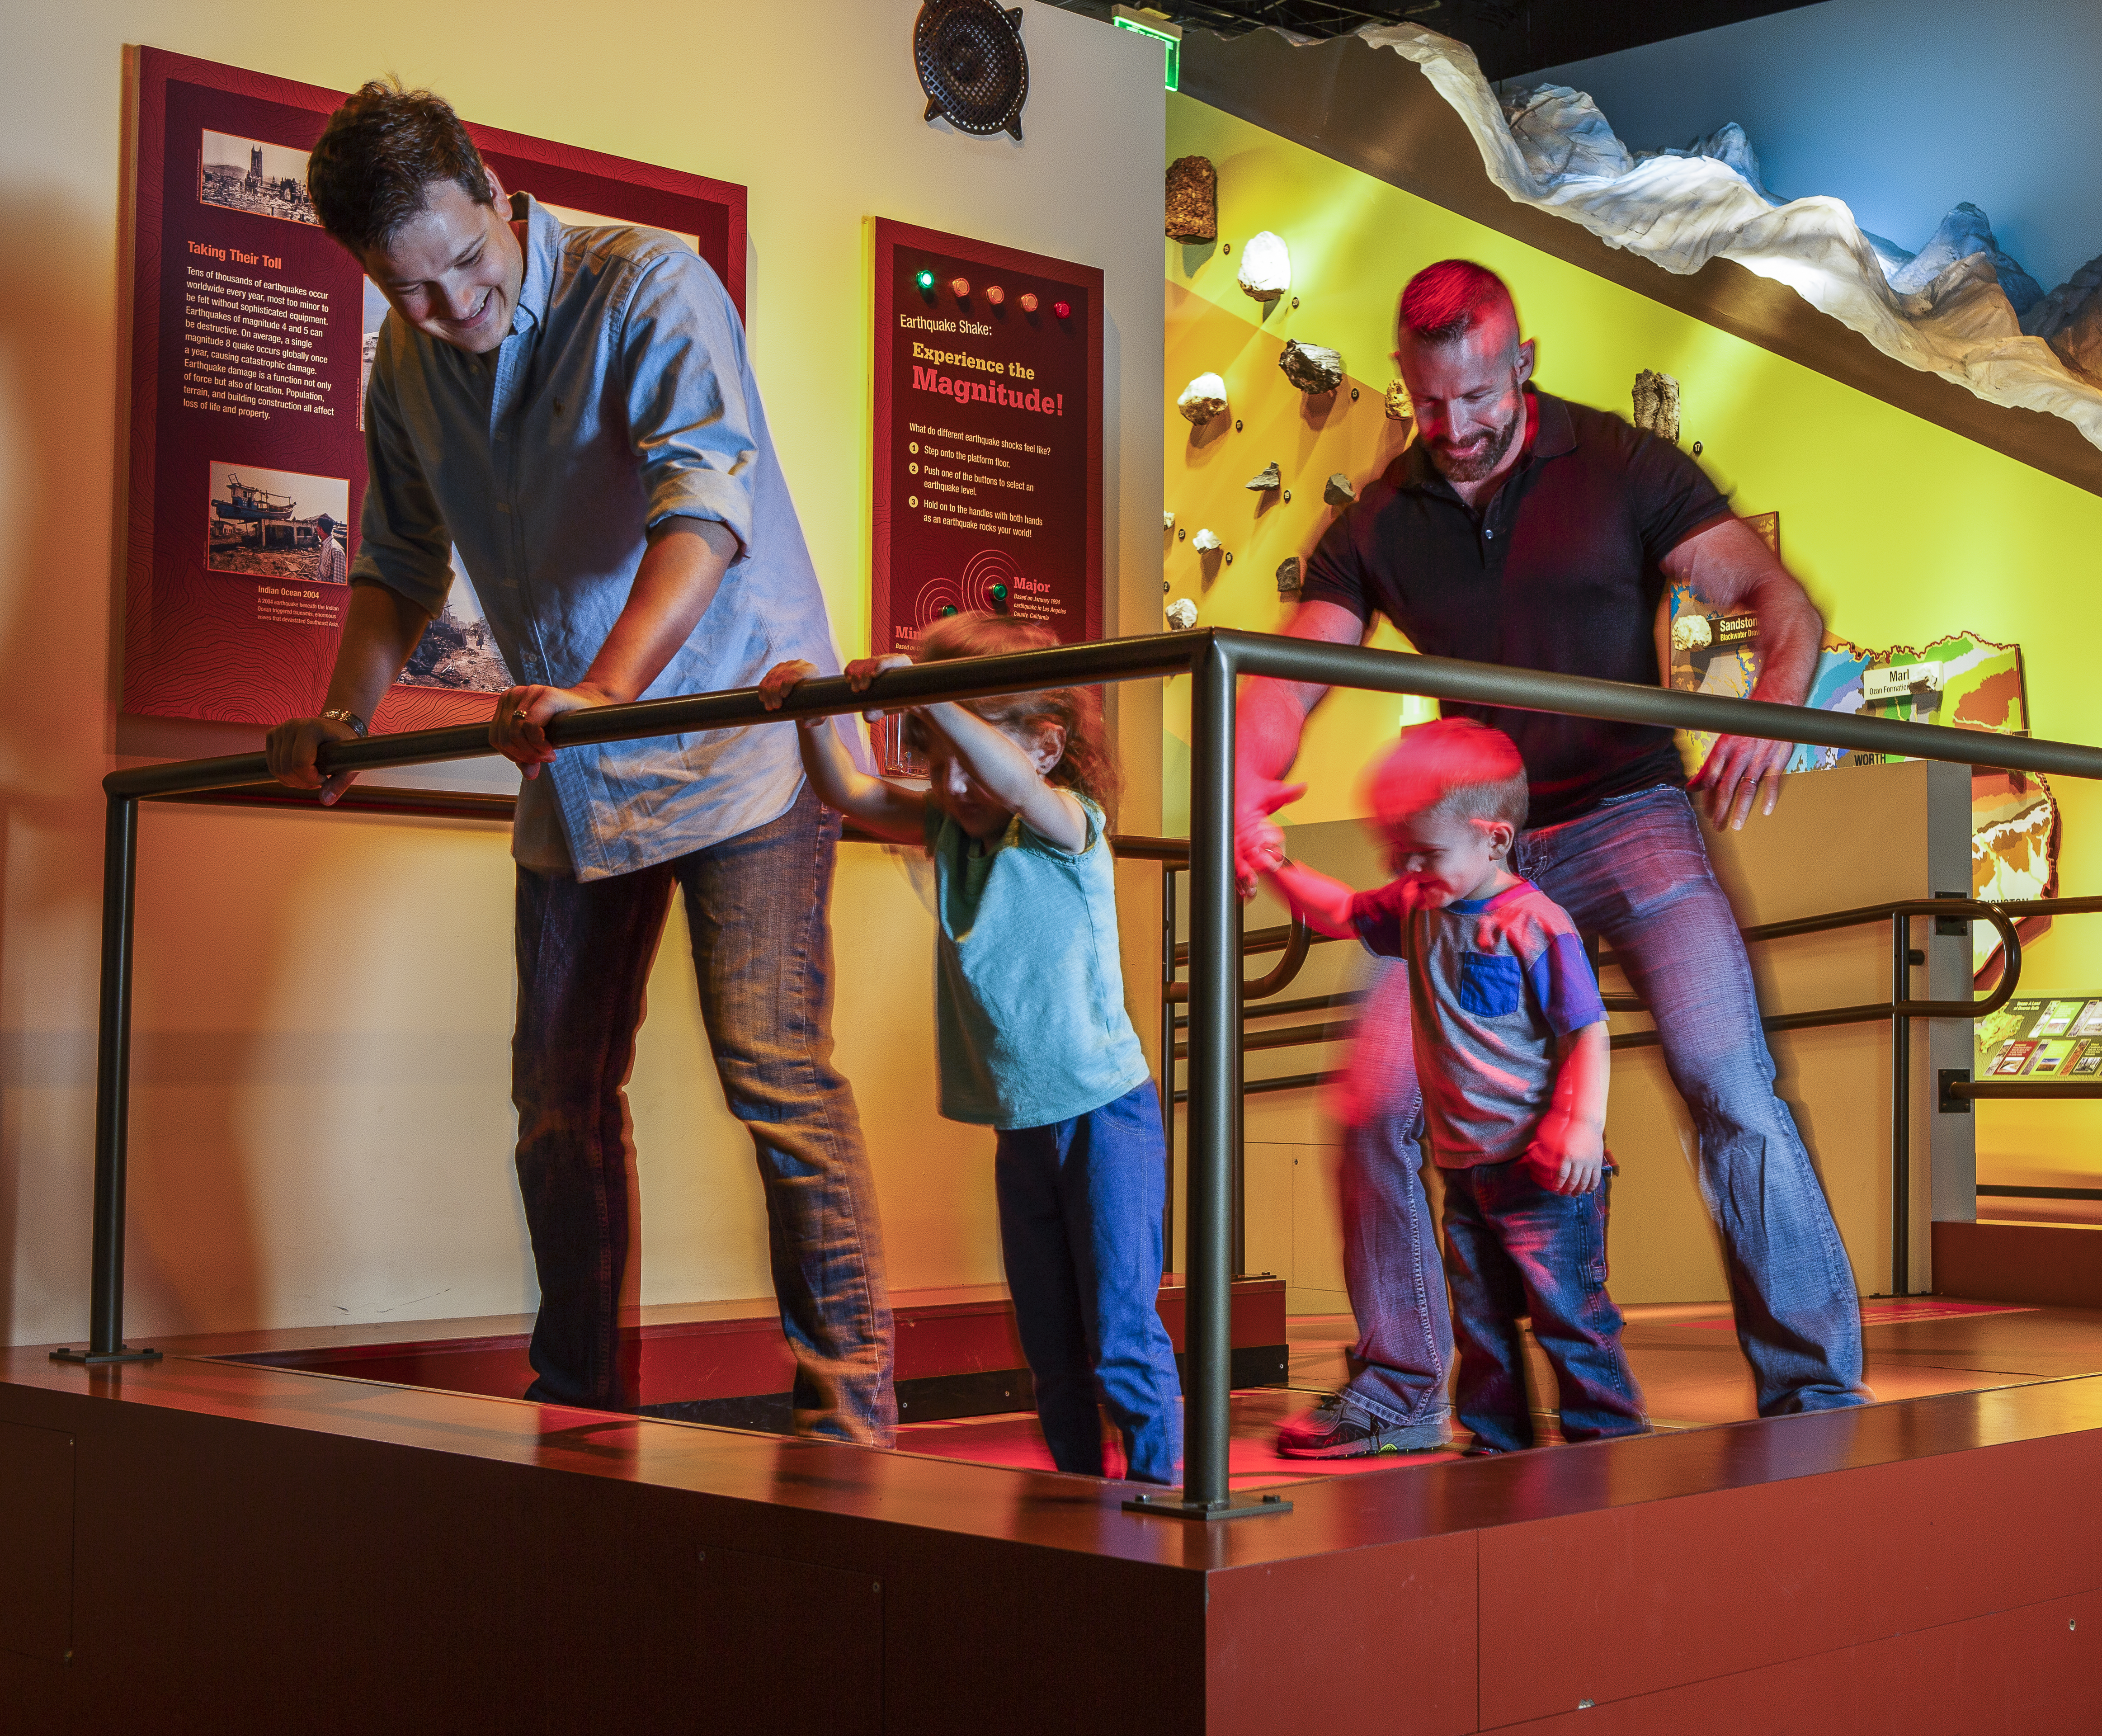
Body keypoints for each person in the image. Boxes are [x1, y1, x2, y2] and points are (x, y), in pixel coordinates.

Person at [264, 82, 893, 1444]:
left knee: (776, 1079)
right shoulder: (404, 360)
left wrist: (603, 692)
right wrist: (342, 721)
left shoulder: (651, 286)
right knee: (556, 1103)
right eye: (408, 288)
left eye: (464, 264)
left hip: (739, 740)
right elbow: (399, 561)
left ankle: (852, 1427)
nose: (450, 307)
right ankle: (580, 1420)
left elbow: (705, 508)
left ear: (496, 196)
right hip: (581, 768)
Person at [1241, 259, 1866, 1458]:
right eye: (1431, 403)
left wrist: (1772, 705)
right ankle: (1401, 1387)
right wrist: (1242, 784)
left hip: (1631, 815)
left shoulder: (1623, 466)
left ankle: (1815, 1395)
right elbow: (1285, 678)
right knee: (1372, 1101)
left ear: (1522, 363)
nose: (1456, 427)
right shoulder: (1383, 515)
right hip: (1475, 852)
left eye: (1478, 396)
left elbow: (1775, 599)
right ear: (1406, 384)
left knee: (1727, 1082)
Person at [759, 618, 1182, 1485]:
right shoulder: (951, 825)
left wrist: (929, 695)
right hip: (1022, 1128)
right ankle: (1078, 1496)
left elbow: (1014, 783)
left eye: (968, 758)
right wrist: (812, 714)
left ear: (1047, 746)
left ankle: (1164, 1496)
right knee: (1050, 1344)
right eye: (934, 759)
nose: (953, 785)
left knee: (1119, 1334)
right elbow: (847, 789)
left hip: (1107, 1118)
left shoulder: (1066, 827)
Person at [1244, 722, 1641, 1455]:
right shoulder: (1419, 907)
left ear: (1494, 840)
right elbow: (1339, 911)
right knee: (1480, 1320)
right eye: (1399, 854)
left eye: (1425, 854)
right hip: (1466, 1170)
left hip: (1544, 1173)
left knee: (1570, 1318)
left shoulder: (1535, 925)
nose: (1408, 870)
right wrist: (1273, 862)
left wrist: (1580, 1123)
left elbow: (1586, 1029)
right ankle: (1496, 1448)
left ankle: (1607, 1442)